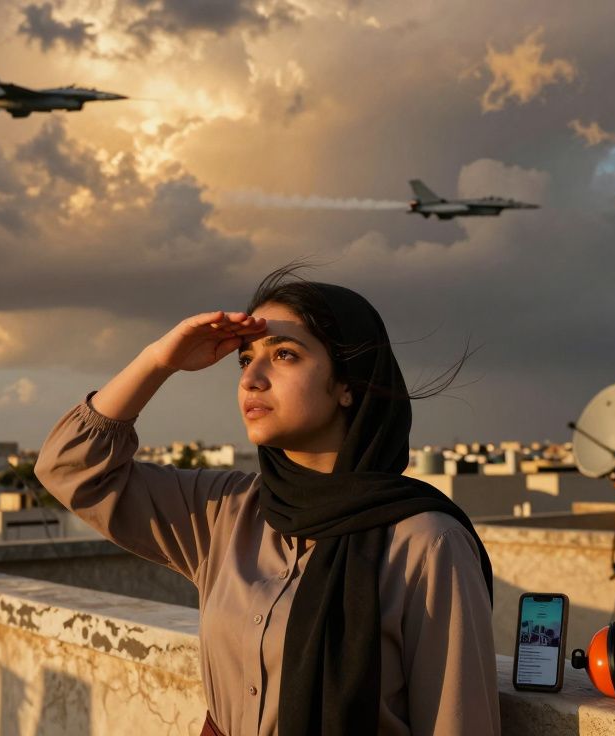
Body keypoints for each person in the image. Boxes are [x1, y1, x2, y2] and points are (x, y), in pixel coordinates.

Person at [35, 268, 499, 735]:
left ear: (347, 385)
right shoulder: (227, 510)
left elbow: (459, 725)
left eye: (284, 355)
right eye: (243, 360)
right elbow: (70, 468)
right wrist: (160, 360)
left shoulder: (426, 544)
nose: (252, 379)